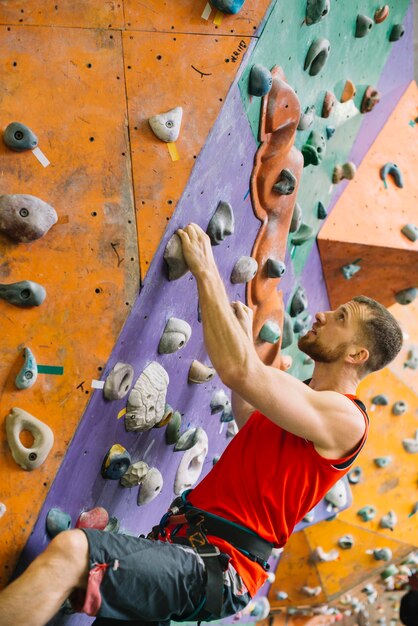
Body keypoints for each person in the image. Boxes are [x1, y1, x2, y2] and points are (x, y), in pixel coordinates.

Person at [0, 223, 403, 626]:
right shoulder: (309, 403)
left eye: (340, 317)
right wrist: (244, 339)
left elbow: (238, 371)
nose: (322, 314)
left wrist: (206, 270)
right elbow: (250, 421)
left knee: (73, 552)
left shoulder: (346, 418)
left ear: (356, 354)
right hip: (189, 542)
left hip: (218, 564)